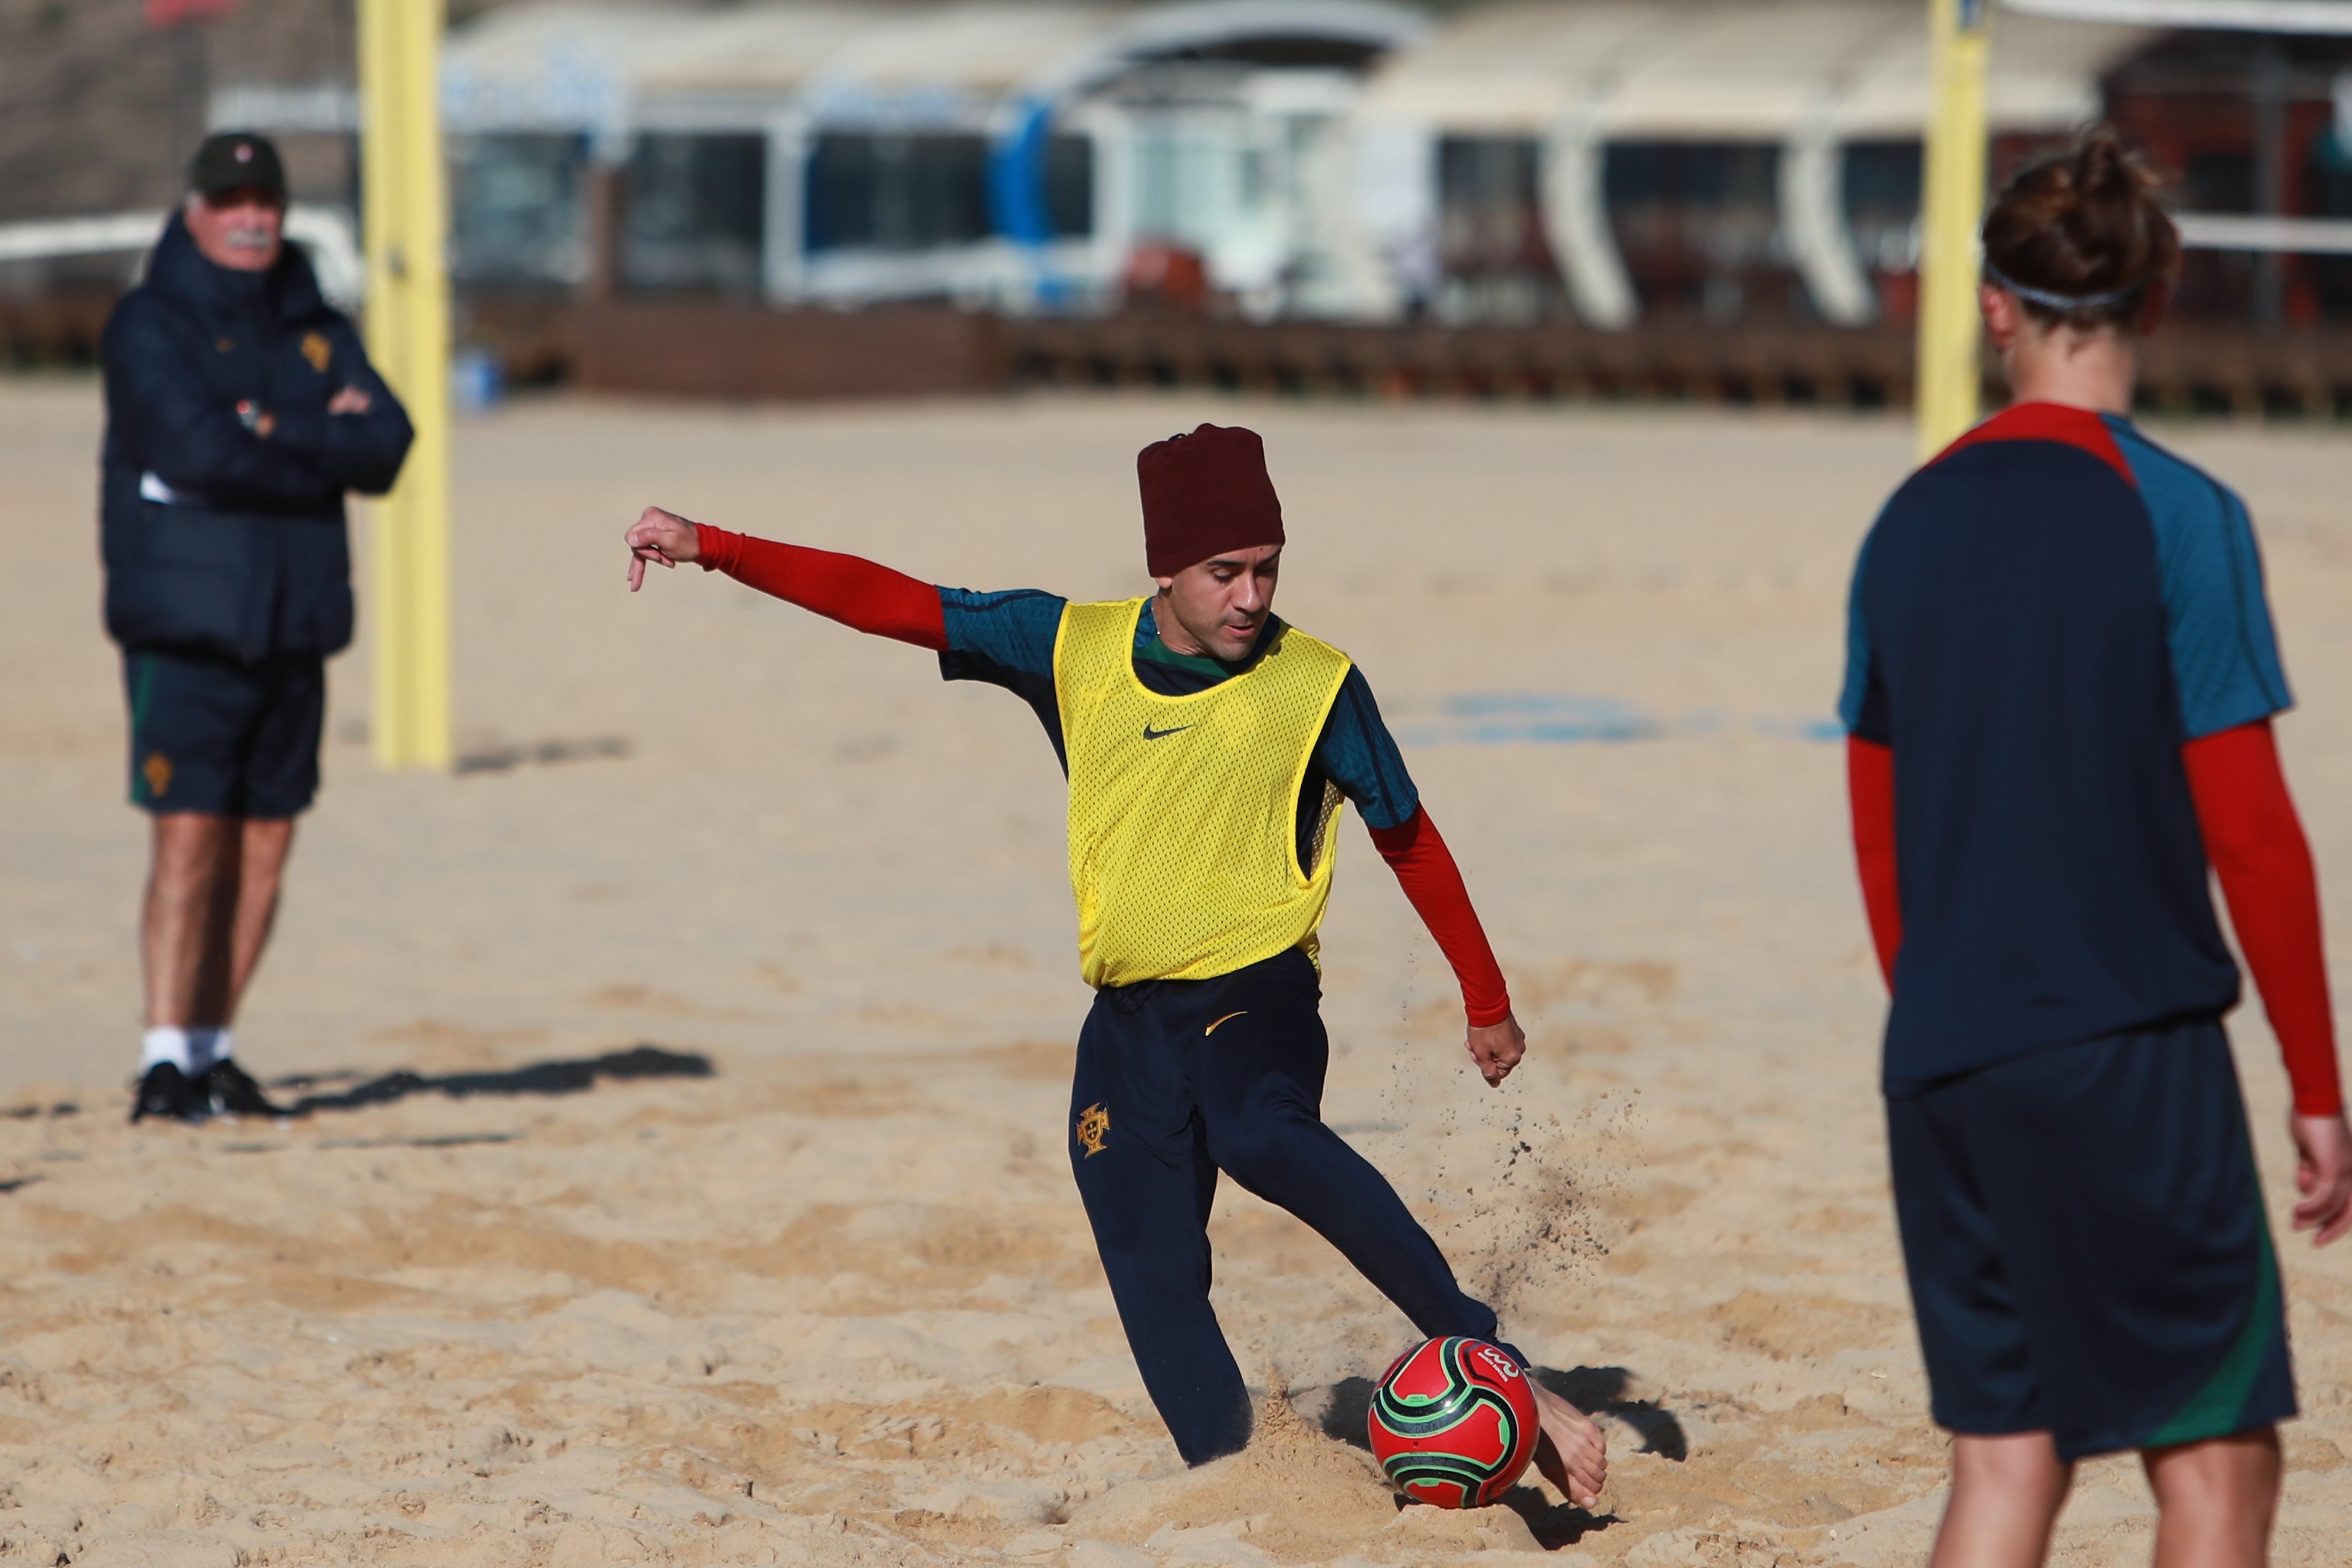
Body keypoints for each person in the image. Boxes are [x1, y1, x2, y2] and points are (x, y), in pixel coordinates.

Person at [622, 423, 1608, 1505]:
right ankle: (1239, 1478)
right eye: (1222, 572)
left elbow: (1407, 833)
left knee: (1260, 1133)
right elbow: (890, 601)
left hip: (1257, 993)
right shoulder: (1070, 645)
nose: (1249, 595)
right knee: (1146, 1257)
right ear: (1165, 571)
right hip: (1127, 1025)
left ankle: (1486, 1354)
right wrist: (712, 543)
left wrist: (1488, 999)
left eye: (1266, 568)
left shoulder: (1316, 685)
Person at [1839, 126, 2352, 1568]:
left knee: (2003, 1466)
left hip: (1943, 1052)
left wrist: (1941, 1010)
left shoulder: (1905, 522)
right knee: (2212, 1469)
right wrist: (2316, 1084)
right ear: (2155, 294)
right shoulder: (2181, 515)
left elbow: (1876, 822)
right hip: (2126, 1048)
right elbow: (2249, 826)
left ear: (1993, 305)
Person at [101, 132, 413, 1123]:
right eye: (230, 200)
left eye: (265, 201)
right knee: (189, 839)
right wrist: (312, 442)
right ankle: (161, 1054)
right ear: (193, 210)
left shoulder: (318, 323)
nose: (250, 218)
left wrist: (275, 428)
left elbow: (388, 444)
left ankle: (212, 1047)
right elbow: (192, 448)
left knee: (267, 843)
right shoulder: (149, 321)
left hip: (297, 621)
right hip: (186, 628)